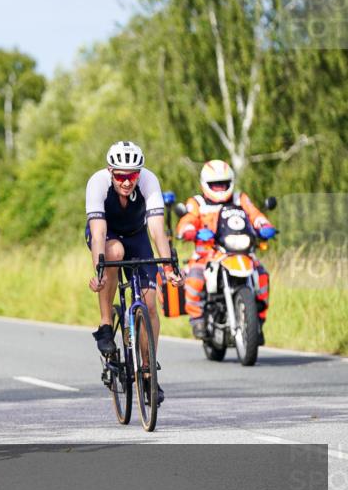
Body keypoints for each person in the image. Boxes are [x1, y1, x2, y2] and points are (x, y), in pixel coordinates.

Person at [86, 141, 181, 405]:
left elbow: (157, 229)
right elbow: (98, 233)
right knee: (114, 252)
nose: (127, 182)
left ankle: (149, 372)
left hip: (137, 235)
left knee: (149, 305)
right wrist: (99, 271)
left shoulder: (149, 180)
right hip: (108, 235)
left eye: (132, 176)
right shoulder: (97, 183)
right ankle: (106, 323)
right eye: (120, 176)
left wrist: (169, 267)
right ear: (110, 171)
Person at [176, 159, 276, 343]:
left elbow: (255, 214)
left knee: (262, 275)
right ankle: (197, 319)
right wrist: (190, 230)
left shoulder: (240, 199)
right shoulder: (197, 202)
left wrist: (264, 225)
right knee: (195, 277)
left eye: (223, 184)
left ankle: (258, 321)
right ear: (205, 184)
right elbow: (186, 221)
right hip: (207, 254)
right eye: (215, 184)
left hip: (241, 251)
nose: (220, 188)